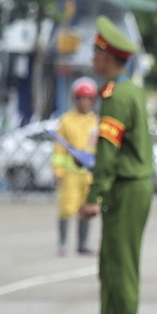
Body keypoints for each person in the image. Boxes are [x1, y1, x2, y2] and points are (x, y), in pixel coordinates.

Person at [79, 18, 153, 314]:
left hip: (127, 186)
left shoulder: (116, 96)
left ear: (108, 56)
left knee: (121, 267)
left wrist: (94, 195)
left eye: (96, 51)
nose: (92, 57)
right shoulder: (124, 91)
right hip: (127, 186)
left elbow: (108, 154)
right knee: (110, 266)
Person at [52, 78, 99, 257]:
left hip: (88, 174)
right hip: (71, 173)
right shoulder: (66, 121)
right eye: (81, 98)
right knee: (66, 208)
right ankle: (63, 243)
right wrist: (58, 171)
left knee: (86, 208)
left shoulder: (95, 122)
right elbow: (59, 149)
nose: (84, 102)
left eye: (88, 99)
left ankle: (83, 244)